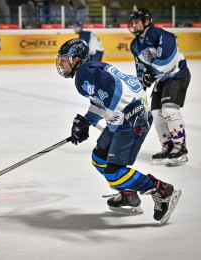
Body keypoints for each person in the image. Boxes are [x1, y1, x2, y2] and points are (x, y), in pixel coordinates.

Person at [56, 38, 181, 223]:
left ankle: (161, 189)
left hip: (130, 122)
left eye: (64, 59)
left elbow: (113, 88)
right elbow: (103, 99)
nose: (61, 64)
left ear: (76, 59)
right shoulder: (92, 68)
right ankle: (128, 194)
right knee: (99, 159)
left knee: (114, 172)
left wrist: (133, 110)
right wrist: (86, 121)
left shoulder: (83, 75)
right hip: (124, 118)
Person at [128, 8, 191, 166]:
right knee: (156, 114)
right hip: (161, 79)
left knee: (169, 109)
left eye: (137, 22)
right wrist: (139, 86)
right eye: (132, 23)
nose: (134, 25)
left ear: (147, 21)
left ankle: (180, 148)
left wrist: (152, 73)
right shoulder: (135, 45)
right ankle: (168, 146)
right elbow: (141, 69)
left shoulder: (159, 34)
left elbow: (168, 58)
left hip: (177, 74)